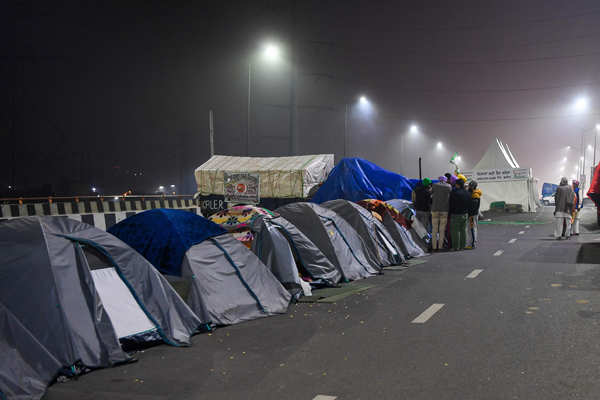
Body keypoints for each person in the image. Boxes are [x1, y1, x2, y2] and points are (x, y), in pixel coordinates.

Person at [449, 178, 471, 250]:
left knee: (455, 231)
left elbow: (451, 203)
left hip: (455, 214)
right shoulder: (467, 193)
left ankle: (456, 247)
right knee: (463, 230)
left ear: (457, 185)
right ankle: (463, 246)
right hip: (465, 214)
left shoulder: (454, 193)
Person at [431, 176, 451, 251]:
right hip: (444, 210)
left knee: (434, 229)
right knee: (442, 230)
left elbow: (430, 192)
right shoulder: (449, 186)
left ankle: (434, 247)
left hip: (435, 209)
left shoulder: (435, 185)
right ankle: (440, 246)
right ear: (445, 180)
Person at [466, 180, 482, 249]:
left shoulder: (475, 195)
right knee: (471, 228)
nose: (469, 187)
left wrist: (470, 214)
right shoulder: (473, 193)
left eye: (470, 186)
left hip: (472, 214)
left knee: (472, 228)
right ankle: (472, 242)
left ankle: (472, 243)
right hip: (473, 214)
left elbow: (474, 206)